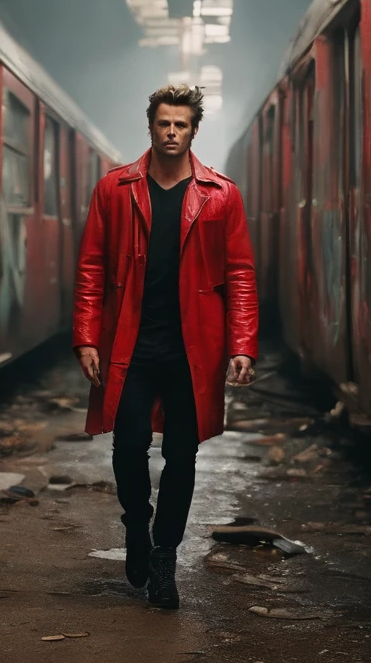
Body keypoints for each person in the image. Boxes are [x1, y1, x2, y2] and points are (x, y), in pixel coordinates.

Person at [72, 83, 258, 609]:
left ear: (194, 130)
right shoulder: (115, 189)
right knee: (128, 445)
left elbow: (241, 275)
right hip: (131, 345)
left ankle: (165, 558)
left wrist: (243, 343)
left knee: (182, 455)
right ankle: (137, 523)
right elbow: (91, 266)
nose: (171, 132)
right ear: (150, 127)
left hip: (194, 350)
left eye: (180, 125)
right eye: (163, 124)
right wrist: (86, 335)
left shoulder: (222, 194)